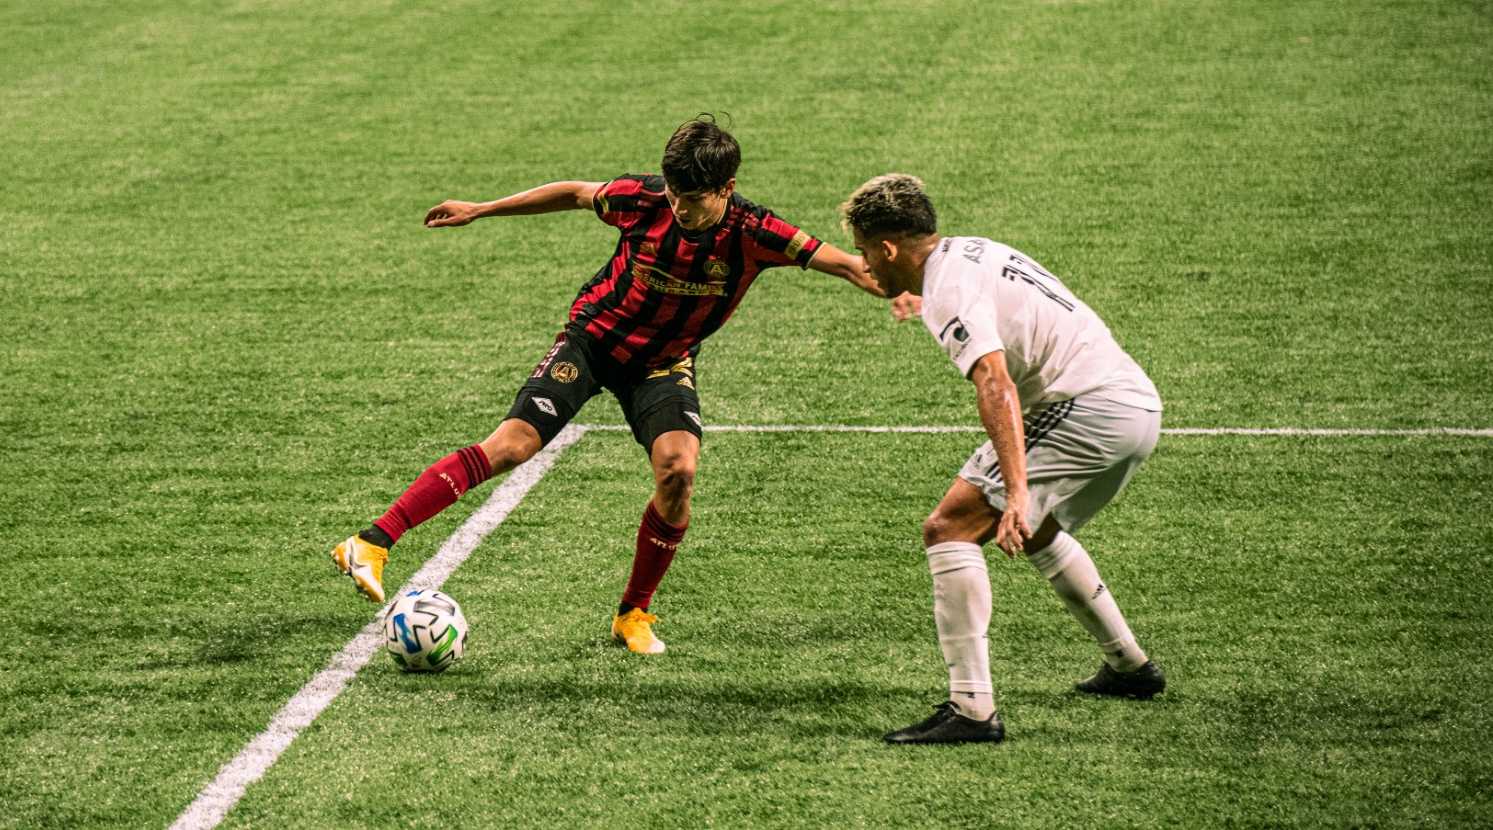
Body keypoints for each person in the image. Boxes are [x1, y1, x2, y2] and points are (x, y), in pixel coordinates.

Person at [333, 119, 882, 654]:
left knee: (679, 471)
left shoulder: (756, 232)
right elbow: (574, 192)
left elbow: (845, 263)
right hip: (592, 343)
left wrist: (897, 285)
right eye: (672, 193)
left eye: (691, 198)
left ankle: (633, 613)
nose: (678, 207)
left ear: (726, 189)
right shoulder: (642, 200)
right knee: (511, 447)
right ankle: (372, 542)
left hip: (662, 364)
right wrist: (481, 209)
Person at [840, 173, 1166, 744]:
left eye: (867, 253)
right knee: (1037, 531)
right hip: (1131, 406)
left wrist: (1016, 489)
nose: (866, 266)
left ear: (888, 247)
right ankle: (1130, 667)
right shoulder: (971, 252)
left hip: (1085, 409)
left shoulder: (948, 292)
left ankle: (972, 709)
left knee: (949, 528)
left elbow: (994, 381)